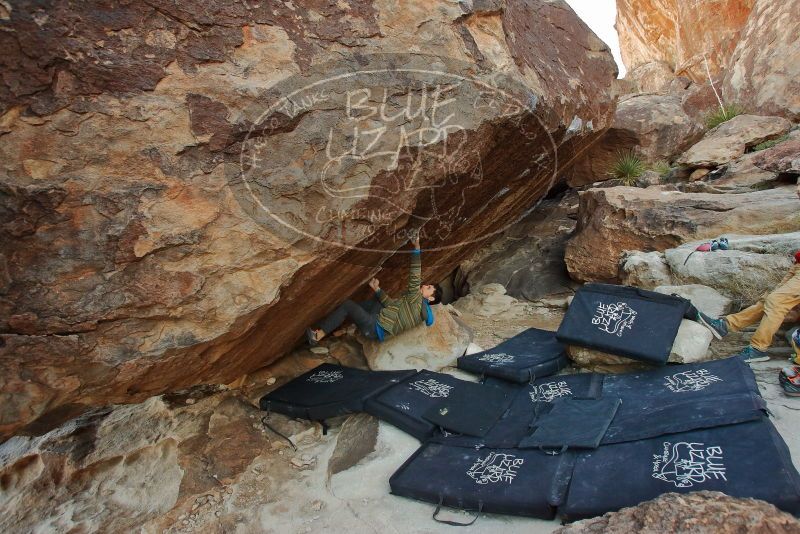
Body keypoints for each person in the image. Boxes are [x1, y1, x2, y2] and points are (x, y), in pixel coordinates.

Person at [306, 234, 442, 345]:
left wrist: (417, 248)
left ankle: (318, 335)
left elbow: (414, 275)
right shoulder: (418, 308)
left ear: (430, 298)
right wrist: (377, 289)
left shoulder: (417, 301)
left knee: (347, 305)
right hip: (379, 322)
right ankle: (346, 323)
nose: (424, 285)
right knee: (377, 302)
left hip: (373, 328)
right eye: (427, 285)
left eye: (429, 288)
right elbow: (391, 305)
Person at [697, 250, 800, 363]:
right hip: (797, 264)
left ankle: (758, 348)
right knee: (768, 299)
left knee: (776, 300)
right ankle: (725, 326)